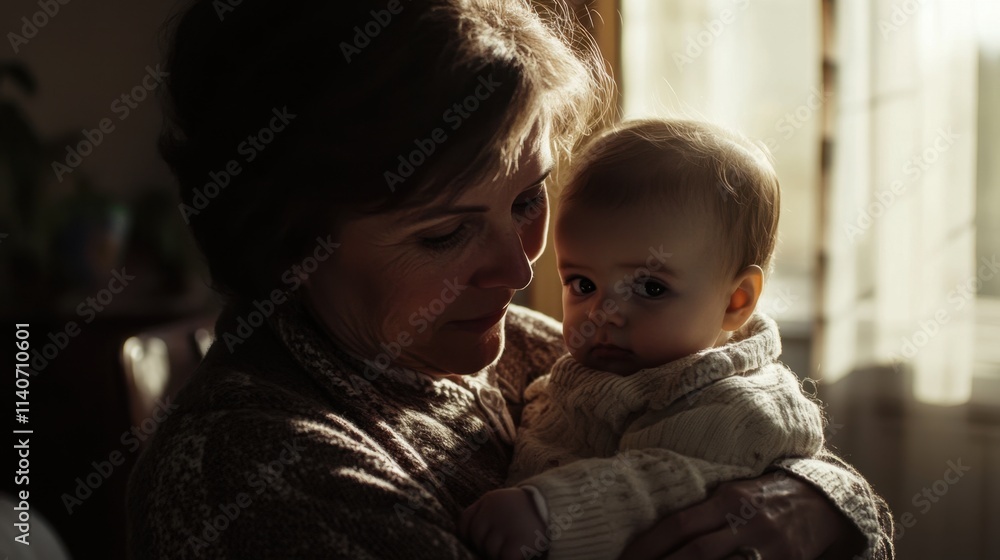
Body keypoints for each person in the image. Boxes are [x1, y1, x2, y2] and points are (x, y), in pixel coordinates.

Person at [127, 1, 894, 559]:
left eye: (529, 200)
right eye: (445, 232)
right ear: (288, 245)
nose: (521, 265)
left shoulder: (531, 349)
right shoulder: (257, 470)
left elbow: (753, 430)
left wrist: (821, 504)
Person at [459, 119, 839, 560]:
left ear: (736, 301)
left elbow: (669, 487)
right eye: (582, 284)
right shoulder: (582, 371)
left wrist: (547, 512)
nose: (603, 314)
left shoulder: (738, 404)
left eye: (650, 288)